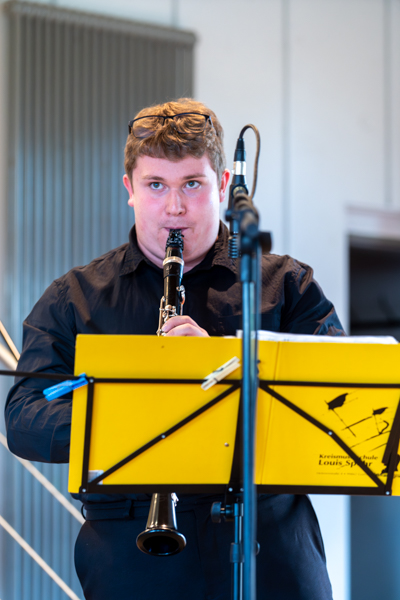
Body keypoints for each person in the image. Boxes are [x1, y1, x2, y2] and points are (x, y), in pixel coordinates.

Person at [5, 98, 344, 600]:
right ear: (129, 190)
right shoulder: (74, 298)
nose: (175, 207)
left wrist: (222, 369)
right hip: (132, 558)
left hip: (270, 550)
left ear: (223, 186)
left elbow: (339, 408)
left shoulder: (285, 285)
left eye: (192, 184)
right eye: (156, 186)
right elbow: (24, 420)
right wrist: (138, 412)